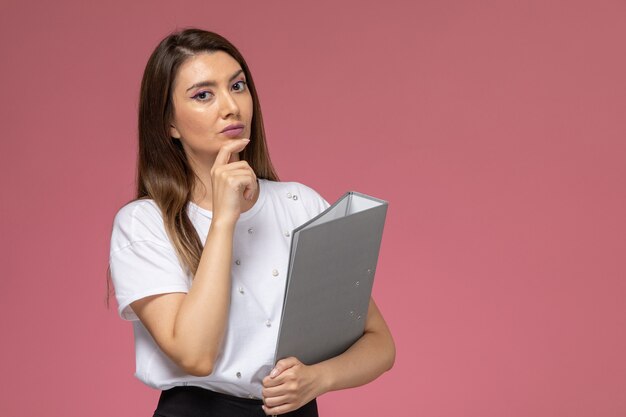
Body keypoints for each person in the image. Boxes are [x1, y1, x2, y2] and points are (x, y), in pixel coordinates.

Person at [108, 28, 395, 417]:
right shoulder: (143, 223)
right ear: (169, 124)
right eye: (203, 95)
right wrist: (224, 220)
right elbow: (195, 354)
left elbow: (379, 343)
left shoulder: (299, 203)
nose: (231, 106)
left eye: (238, 86)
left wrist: (318, 379)